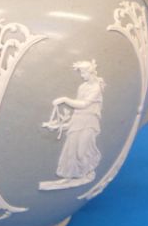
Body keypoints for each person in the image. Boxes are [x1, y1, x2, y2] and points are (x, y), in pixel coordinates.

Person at [40, 60, 105, 189]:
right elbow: (77, 108)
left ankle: (87, 172)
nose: (82, 76)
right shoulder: (82, 87)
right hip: (78, 120)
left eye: (84, 73)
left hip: (89, 122)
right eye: (81, 73)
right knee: (70, 149)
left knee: (81, 152)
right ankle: (68, 177)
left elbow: (84, 104)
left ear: (91, 72)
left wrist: (64, 100)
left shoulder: (96, 88)